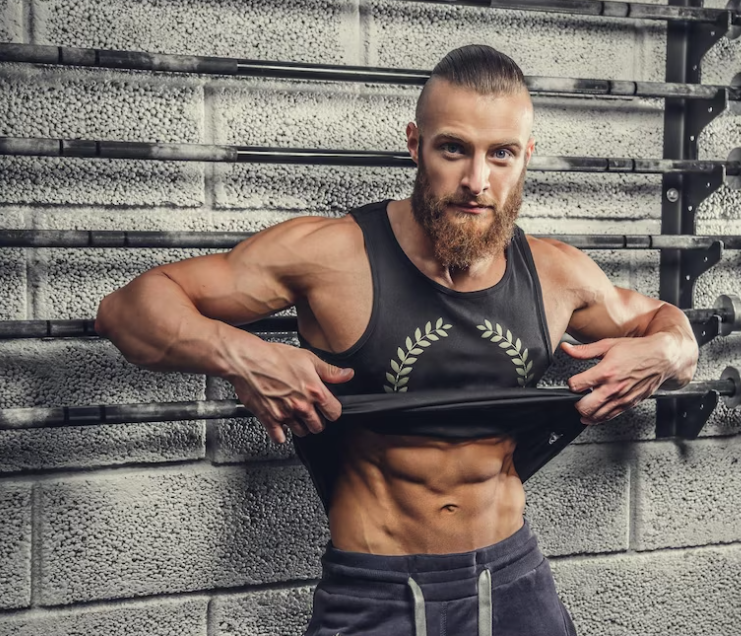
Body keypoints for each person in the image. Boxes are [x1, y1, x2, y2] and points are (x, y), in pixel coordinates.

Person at [95, 44, 699, 636]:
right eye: (454, 149)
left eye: (502, 154)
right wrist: (244, 357)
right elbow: (127, 312)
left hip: (514, 576)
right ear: (415, 145)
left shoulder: (557, 274)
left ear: (526, 157)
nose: (476, 180)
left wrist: (667, 351)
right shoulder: (334, 257)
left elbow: (670, 328)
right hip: (375, 585)